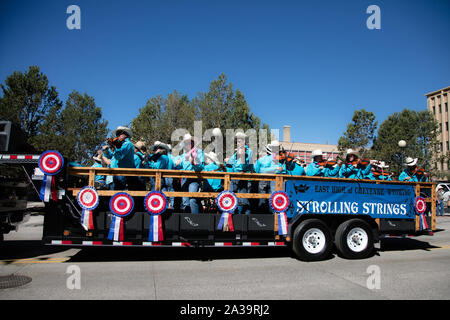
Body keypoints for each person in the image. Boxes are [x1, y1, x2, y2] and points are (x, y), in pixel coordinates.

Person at [225, 132, 254, 214]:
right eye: (237, 141)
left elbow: (246, 167)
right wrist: (227, 161)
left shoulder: (249, 152)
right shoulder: (235, 152)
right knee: (232, 197)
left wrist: (243, 157)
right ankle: (234, 217)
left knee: (242, 199)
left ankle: (243, 218)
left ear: (244, 142)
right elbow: (231, 164)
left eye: (240, 141)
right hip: (234, 177)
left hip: (243, 177)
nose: (238, 143)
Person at [174, 133, 204, 214]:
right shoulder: (183, 155)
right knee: (185, 201)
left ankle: (195, 219)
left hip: (194, 178)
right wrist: (176, 164)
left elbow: (201, 167)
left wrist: (194, 163)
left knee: (192, 199)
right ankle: (186, 220)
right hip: (184, 178)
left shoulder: (199, 152)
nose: (187, 144)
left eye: (189, 142)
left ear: (192, 143)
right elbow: (179, 166)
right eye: (185, 143)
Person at [255, 141, 283, 212]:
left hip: (263, 180)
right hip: (273, 180)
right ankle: (272, 215)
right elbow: (278, 170)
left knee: (263, 198)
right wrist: (276, 169)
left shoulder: (261, 159)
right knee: (273, 198)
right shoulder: (276, 159)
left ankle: (262, 214)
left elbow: (257, 170)